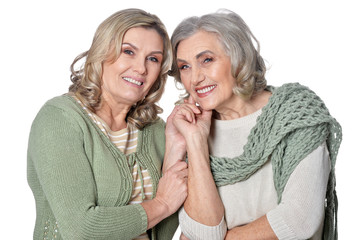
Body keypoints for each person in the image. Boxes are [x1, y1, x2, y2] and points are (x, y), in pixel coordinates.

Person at [168, 9, 342, 240]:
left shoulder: (292, 111)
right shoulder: (191, 126)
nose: (195, 78)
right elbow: (202, 232)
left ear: (239, 58)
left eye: (206, 60)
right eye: (185, 67)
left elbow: (300, 220)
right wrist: (196, 142)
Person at [27, 8, 188, 240]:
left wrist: (174, 148)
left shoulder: (155, 130)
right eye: (128, 51)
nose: (141, 68)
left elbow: (161, 232)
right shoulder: (60, 119)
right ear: (102, 52)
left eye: (153, 58)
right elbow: (80, 228)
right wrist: (161, 203)